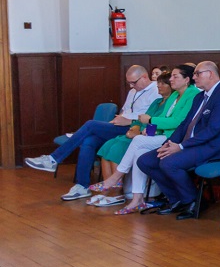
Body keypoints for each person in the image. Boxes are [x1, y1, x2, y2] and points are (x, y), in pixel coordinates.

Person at [24, 65, 162, 201]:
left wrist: (129, 121)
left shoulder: (156, 90)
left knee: (90, 125)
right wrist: (117, 119)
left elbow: (151, 115)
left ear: (144, 77)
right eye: (129, 83)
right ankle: (82, 186)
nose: (131, 86)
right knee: (88, 141)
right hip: (120, 124)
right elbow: (125, 110)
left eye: (134, 82)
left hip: (135, 128)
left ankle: (53, 159)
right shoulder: (133, 92)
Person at [137, 61, 220, 220]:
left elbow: (213, 131)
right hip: (193, 144)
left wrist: (181, 146)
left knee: (168, 163)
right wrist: (169, 144)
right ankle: (176, 199)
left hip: (214, 147)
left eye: (198, 74)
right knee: (146, 161)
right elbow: (185, 124)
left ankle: (194, 200)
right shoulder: (200, 96)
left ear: (210, 74)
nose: (194, 77)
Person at [92, 67, 200, 210]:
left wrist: (150, 120)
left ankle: (116, 177)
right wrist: (148, 130)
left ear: (186, 80)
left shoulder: (193, 94)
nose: (171, 80)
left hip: (177, 138)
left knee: (137, 141)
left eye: (175, 77)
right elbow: (162, 118)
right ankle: (137, 198)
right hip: (163, 134)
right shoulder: (174, 96)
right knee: (138, 154)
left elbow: (178, 122)